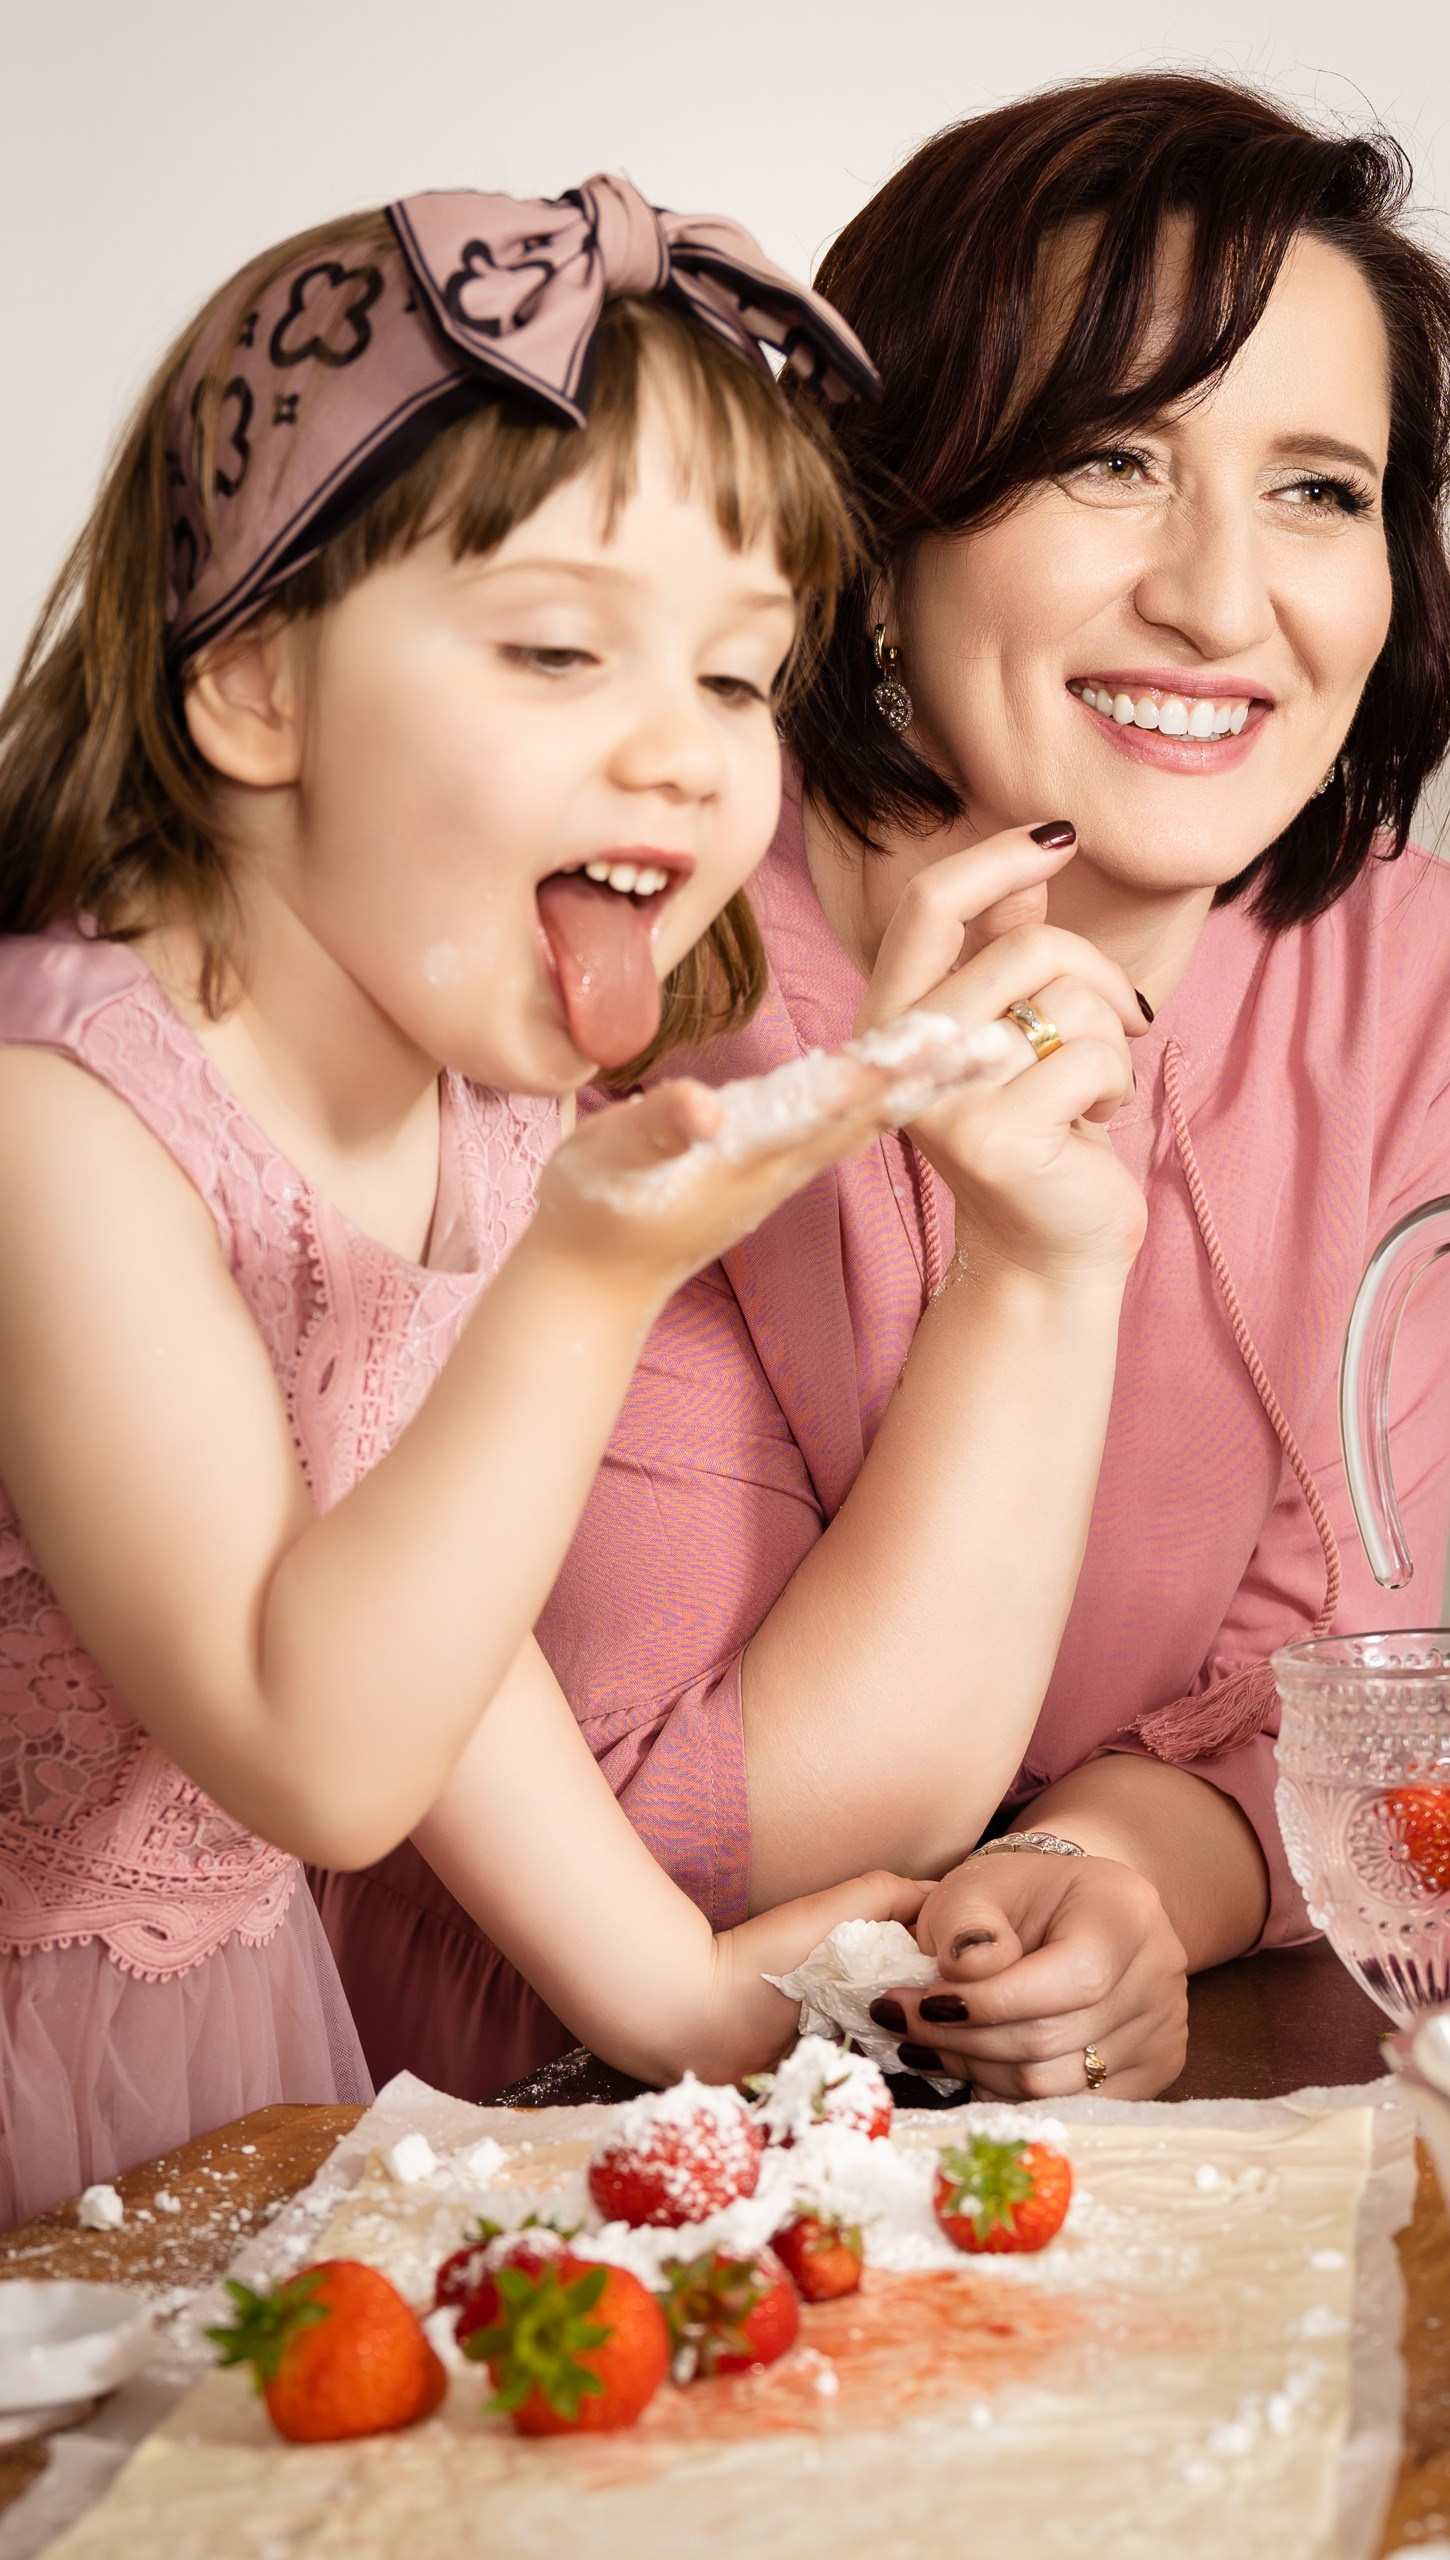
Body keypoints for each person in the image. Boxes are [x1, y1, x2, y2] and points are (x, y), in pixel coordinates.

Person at [317, 75, 1450, 2109]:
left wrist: (1105, 1875)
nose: (1221, 599)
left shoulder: (1405, 971)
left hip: (991, 2139)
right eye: (1109, 458)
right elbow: (710, 1840)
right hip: (523, 2118)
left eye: (1319, 489)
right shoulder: (633, 968)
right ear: (885, 526)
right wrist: (1028, 1269)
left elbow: (1327, 1686)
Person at [0, 175, 965, 2225]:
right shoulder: (56, 1124)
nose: (688, 758)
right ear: (256, 685)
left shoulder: (475, 1094)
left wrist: (679, 1991)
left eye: (738, 679)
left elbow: (422, 1621)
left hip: (206, 2025)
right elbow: (317, 1750)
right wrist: (586, 1288)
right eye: (555, 649)